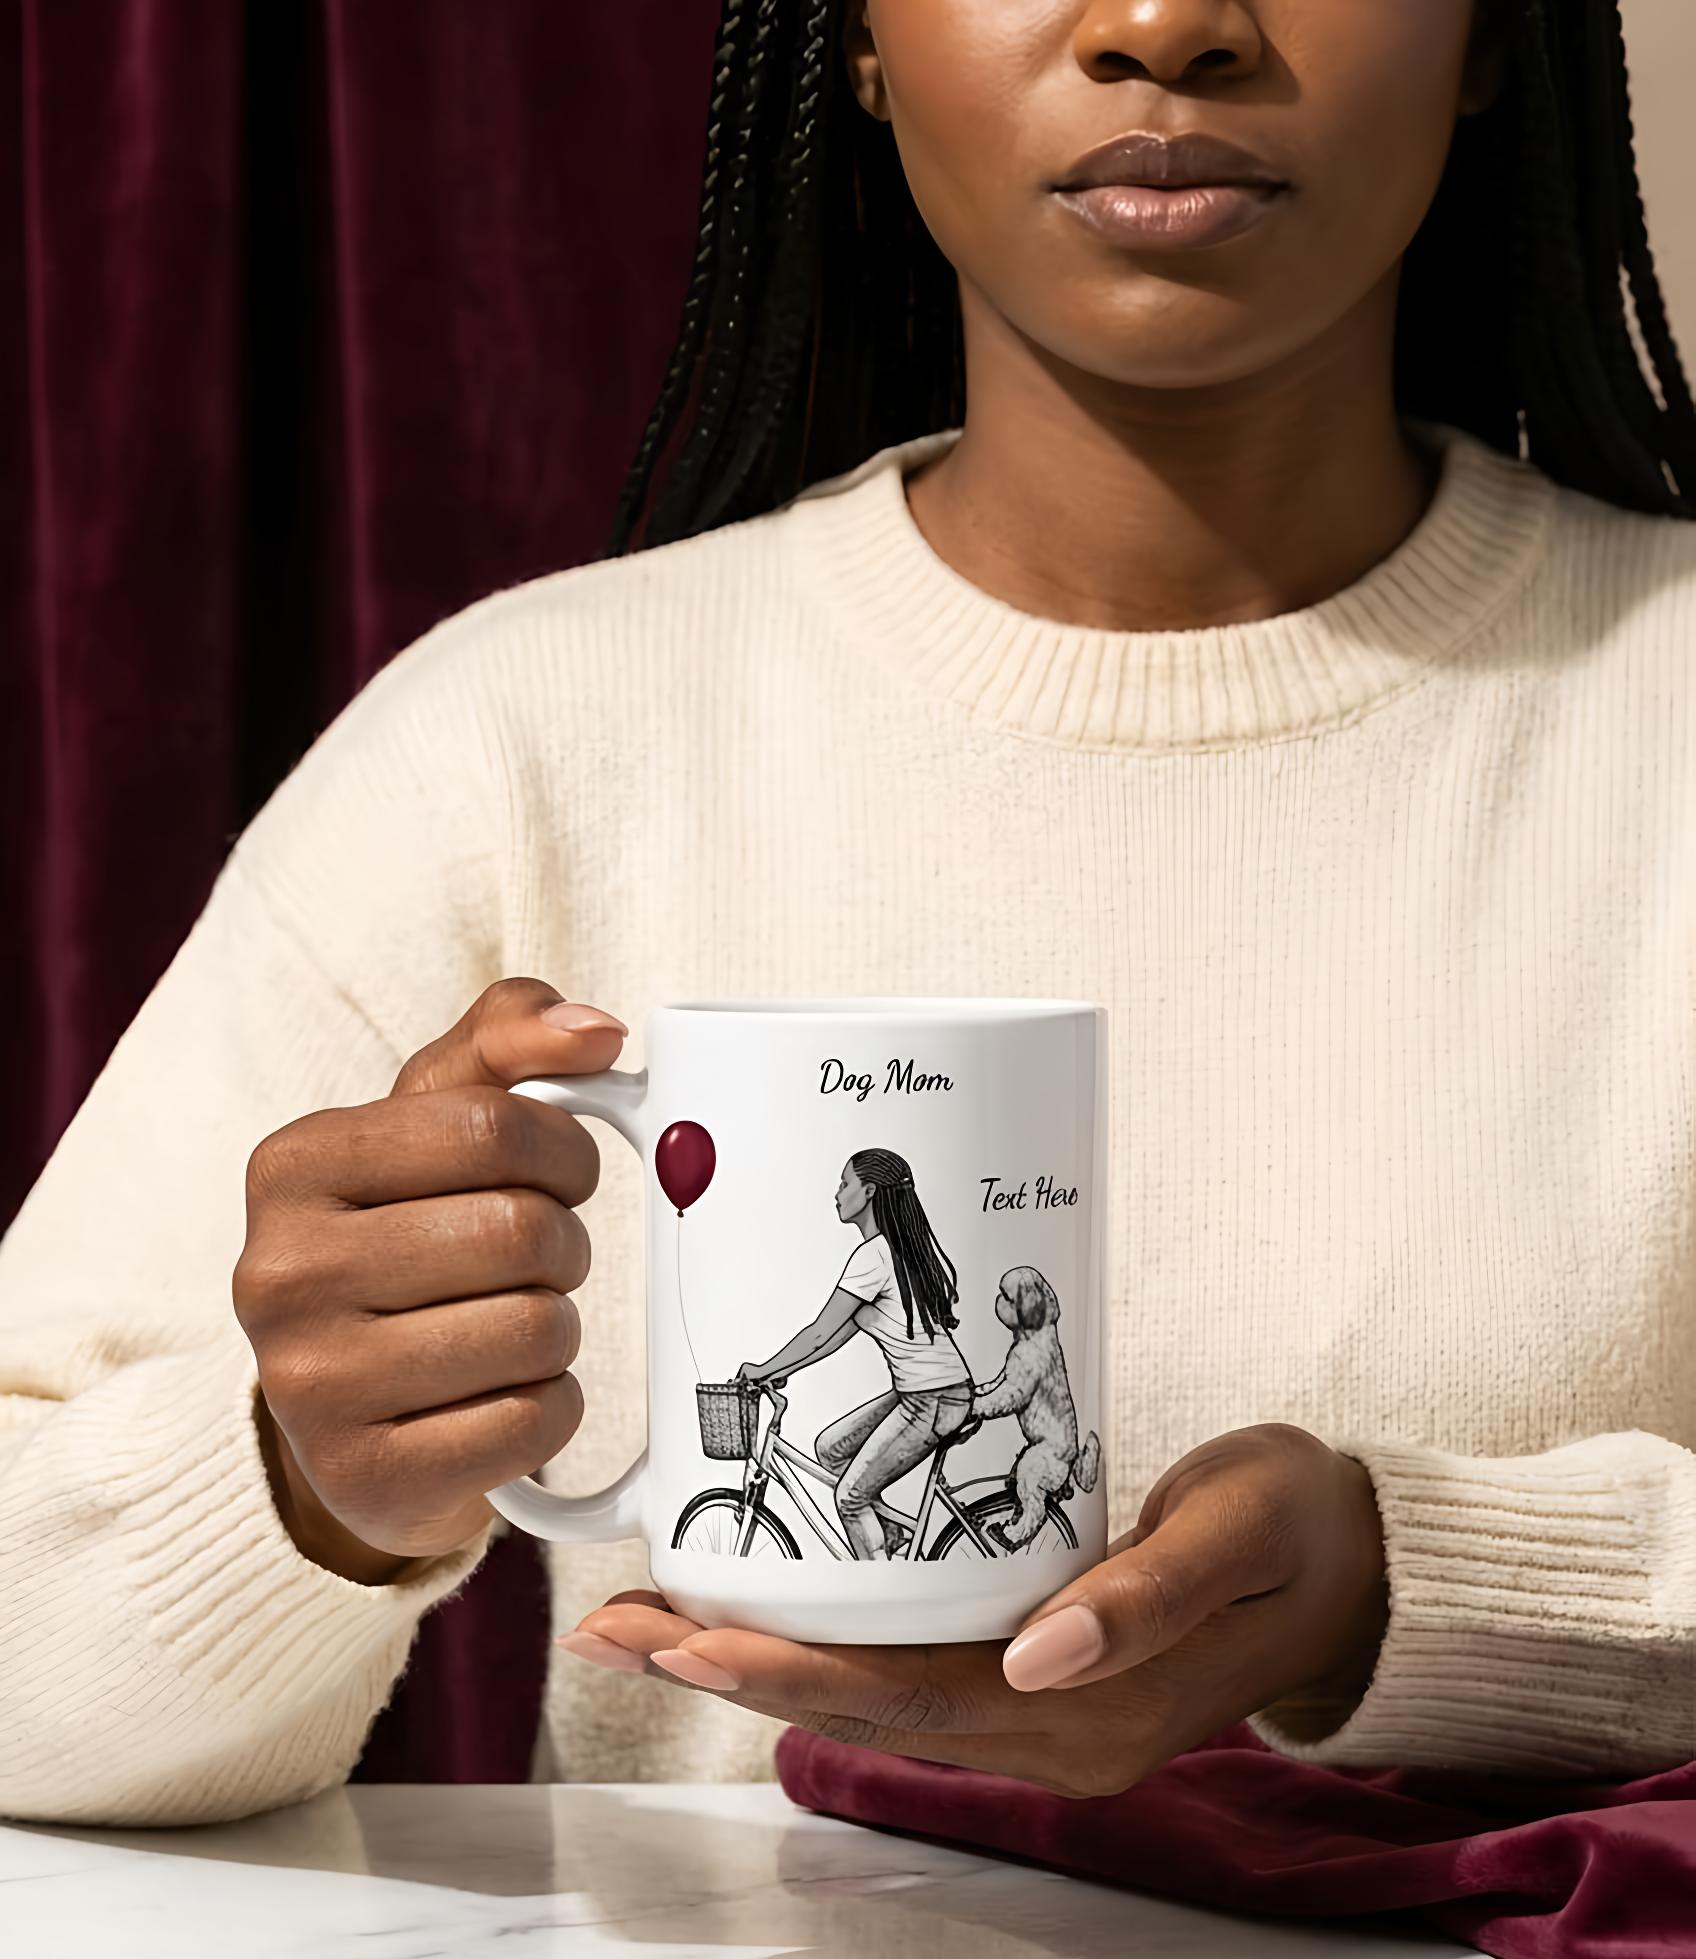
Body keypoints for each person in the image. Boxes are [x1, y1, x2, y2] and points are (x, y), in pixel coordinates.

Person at [2, 0, 1693, 1823]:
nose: (1167, 25)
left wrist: (1417, 1585)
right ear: (858, 38)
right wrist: (294, 1481)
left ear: (1492, 35)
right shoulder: (517, 740)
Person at [736, 1150, 974, 1559]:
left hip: (932, 1400)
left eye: (844, 1183)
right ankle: (886, 1534)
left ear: (868, 1191)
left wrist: (761, 1369)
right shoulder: (892, 1253)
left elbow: (818, 1333)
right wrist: (781, 1370)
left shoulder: (874, 1257)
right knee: (831, 1448)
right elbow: (832, 1339)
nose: (837, 1193)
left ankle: (882, 1588)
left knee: (849, 1498)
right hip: (932, 1392)